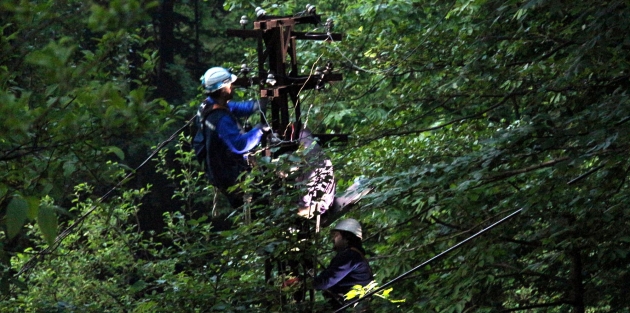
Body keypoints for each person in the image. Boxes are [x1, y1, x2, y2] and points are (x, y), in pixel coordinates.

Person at [194, 66, 269, 209]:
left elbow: (234, 108)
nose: (232, 87)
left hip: (217, 171)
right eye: (229, 85)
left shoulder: (208, 105)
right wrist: (259, 131)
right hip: (230, 177)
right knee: (257, 208)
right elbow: (239, 145)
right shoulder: (220, 119)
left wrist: (257, 105)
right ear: (223, 90)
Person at [314, 218, 373, 311]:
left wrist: (306, 283)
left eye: (336, 235)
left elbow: (325, 281)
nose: (333, 239)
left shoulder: (350, 255)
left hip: (351, 307)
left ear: (346, 238)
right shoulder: (355, 255)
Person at [294, 128, 336, 219]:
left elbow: (307, 187)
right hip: (319, 199)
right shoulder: (315, 153)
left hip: (317, 204)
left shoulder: (313, 159)